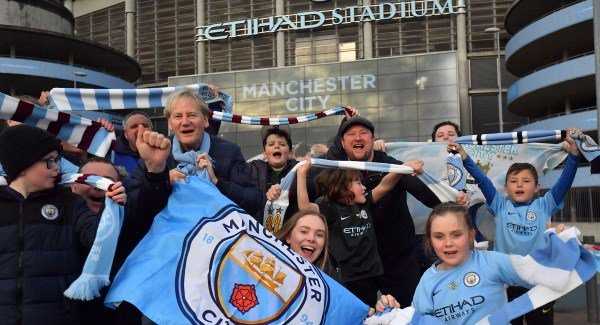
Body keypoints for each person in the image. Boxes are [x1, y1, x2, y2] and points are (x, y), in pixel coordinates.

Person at [450, 131, 580, 325]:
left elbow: (564, 182)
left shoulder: (545, 205)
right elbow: (483, 181)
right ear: (506, 188)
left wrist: (574, 156)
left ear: (537, 187)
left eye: (526, 181)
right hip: (507, 284)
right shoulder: (500, 206)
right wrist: (465, 157)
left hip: (540, 285)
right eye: (513, 181)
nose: (519, 185)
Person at [0, 125, 125, 325]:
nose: (57, 167)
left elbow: (96, 241)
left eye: (57, 160)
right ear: (23, 164)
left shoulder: (70, 203)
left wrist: (110, 206)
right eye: (48, 161)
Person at [322, 115, 442, 307]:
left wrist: (453, 196)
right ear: (343, 144)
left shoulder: (392, 165)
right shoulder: (336, 172)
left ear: (373, 139)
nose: (358, 138)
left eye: (363, 133)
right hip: (356, 267)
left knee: (408, 314)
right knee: (358, 316)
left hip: (398, 261)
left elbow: (431, 198)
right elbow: (307, 197)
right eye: (351, 134)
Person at [412, 202, 568, 324]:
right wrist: (389, 307)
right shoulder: (427, 281)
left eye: (456, 234)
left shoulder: (492, 262)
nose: (448, 243)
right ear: (430, 241)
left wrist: (558, 246)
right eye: (439, 237)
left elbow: (535, 270)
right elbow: (415, 319)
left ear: (470, 235)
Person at [296, 158, 423, 306]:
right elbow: (305, 209)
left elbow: (385, 185)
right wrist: (302, 174)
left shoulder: (365, 203)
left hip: (371, 275)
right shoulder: (328, 207)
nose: (363, 187)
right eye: (358, 183)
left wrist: (402, 168)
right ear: (343, 186)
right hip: (346, 279)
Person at [131, 88, 261, 215]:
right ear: (170, 123)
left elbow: (255, 202)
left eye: (192, 115)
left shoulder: (229, 152)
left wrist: (217, 182)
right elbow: (133, 208)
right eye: (178, 116)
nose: (185, 122)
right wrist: (160, 179)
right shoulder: (156, 152)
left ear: (205, 120)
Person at [276, 209, 401, 315]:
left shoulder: (332, 282)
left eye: (319, 235)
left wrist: (381, 310)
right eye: (304, 231)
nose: (311, 239)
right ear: (288, 237)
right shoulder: (264, 267)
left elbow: (353, 314)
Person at [248, 127, 299, 226]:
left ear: (290, 152)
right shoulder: (253, 169)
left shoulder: (299, 169)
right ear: (264, 153)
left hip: (290, 231)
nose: (276, 147)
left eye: (282, 144)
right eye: (271, 144)